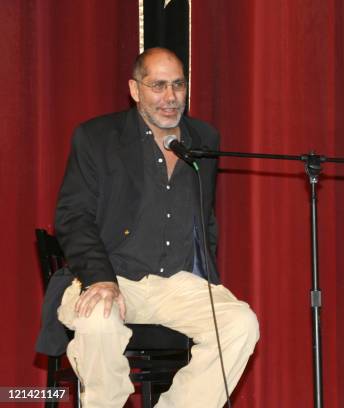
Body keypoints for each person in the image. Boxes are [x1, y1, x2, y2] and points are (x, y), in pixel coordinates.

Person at [54, 47, 259, 408]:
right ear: (135, 90)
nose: (170, 97)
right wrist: (100, 278)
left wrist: (207, 274)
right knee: (98, 321)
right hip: (113, 276)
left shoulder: (203, 138)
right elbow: (73, 216)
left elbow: (204, 216)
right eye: (158, 86)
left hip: (177, 284)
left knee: (240, 323)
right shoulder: (98, 137)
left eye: (178, 85)